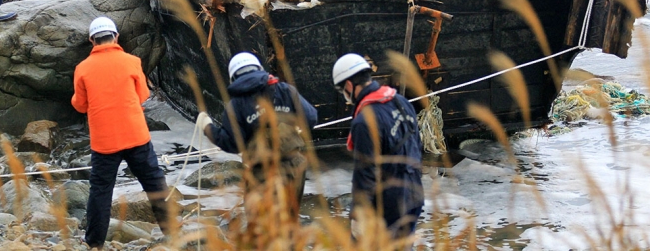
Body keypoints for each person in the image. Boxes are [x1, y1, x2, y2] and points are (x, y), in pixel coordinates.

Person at [72, 17, 171, 249]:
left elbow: (80, 105)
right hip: (135, 135)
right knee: (154, 182)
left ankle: (94, 241)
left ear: (92, 41)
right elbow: (143, 94)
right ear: (116, 37)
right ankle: (172, 232)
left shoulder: (82, 68)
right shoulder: (132, 61)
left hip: (104, 141)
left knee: (101, 190)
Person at [197, 52, 317, 221]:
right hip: (295, 166)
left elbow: (231, 143)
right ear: (259, 69)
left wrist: (207, 127)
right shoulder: (285, 90)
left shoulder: (236, 106)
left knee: (263, 225)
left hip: (263, 172)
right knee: (289, 220)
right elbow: (311, 117)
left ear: (233, 78)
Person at [332, 53, 424, 240]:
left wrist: (358, 216)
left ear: (349, 85)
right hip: (414, 192)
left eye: (343, 90)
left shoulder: (364, 121)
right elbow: (417, 147)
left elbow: (365, 175)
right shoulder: (401, 102)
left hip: (389, 205)